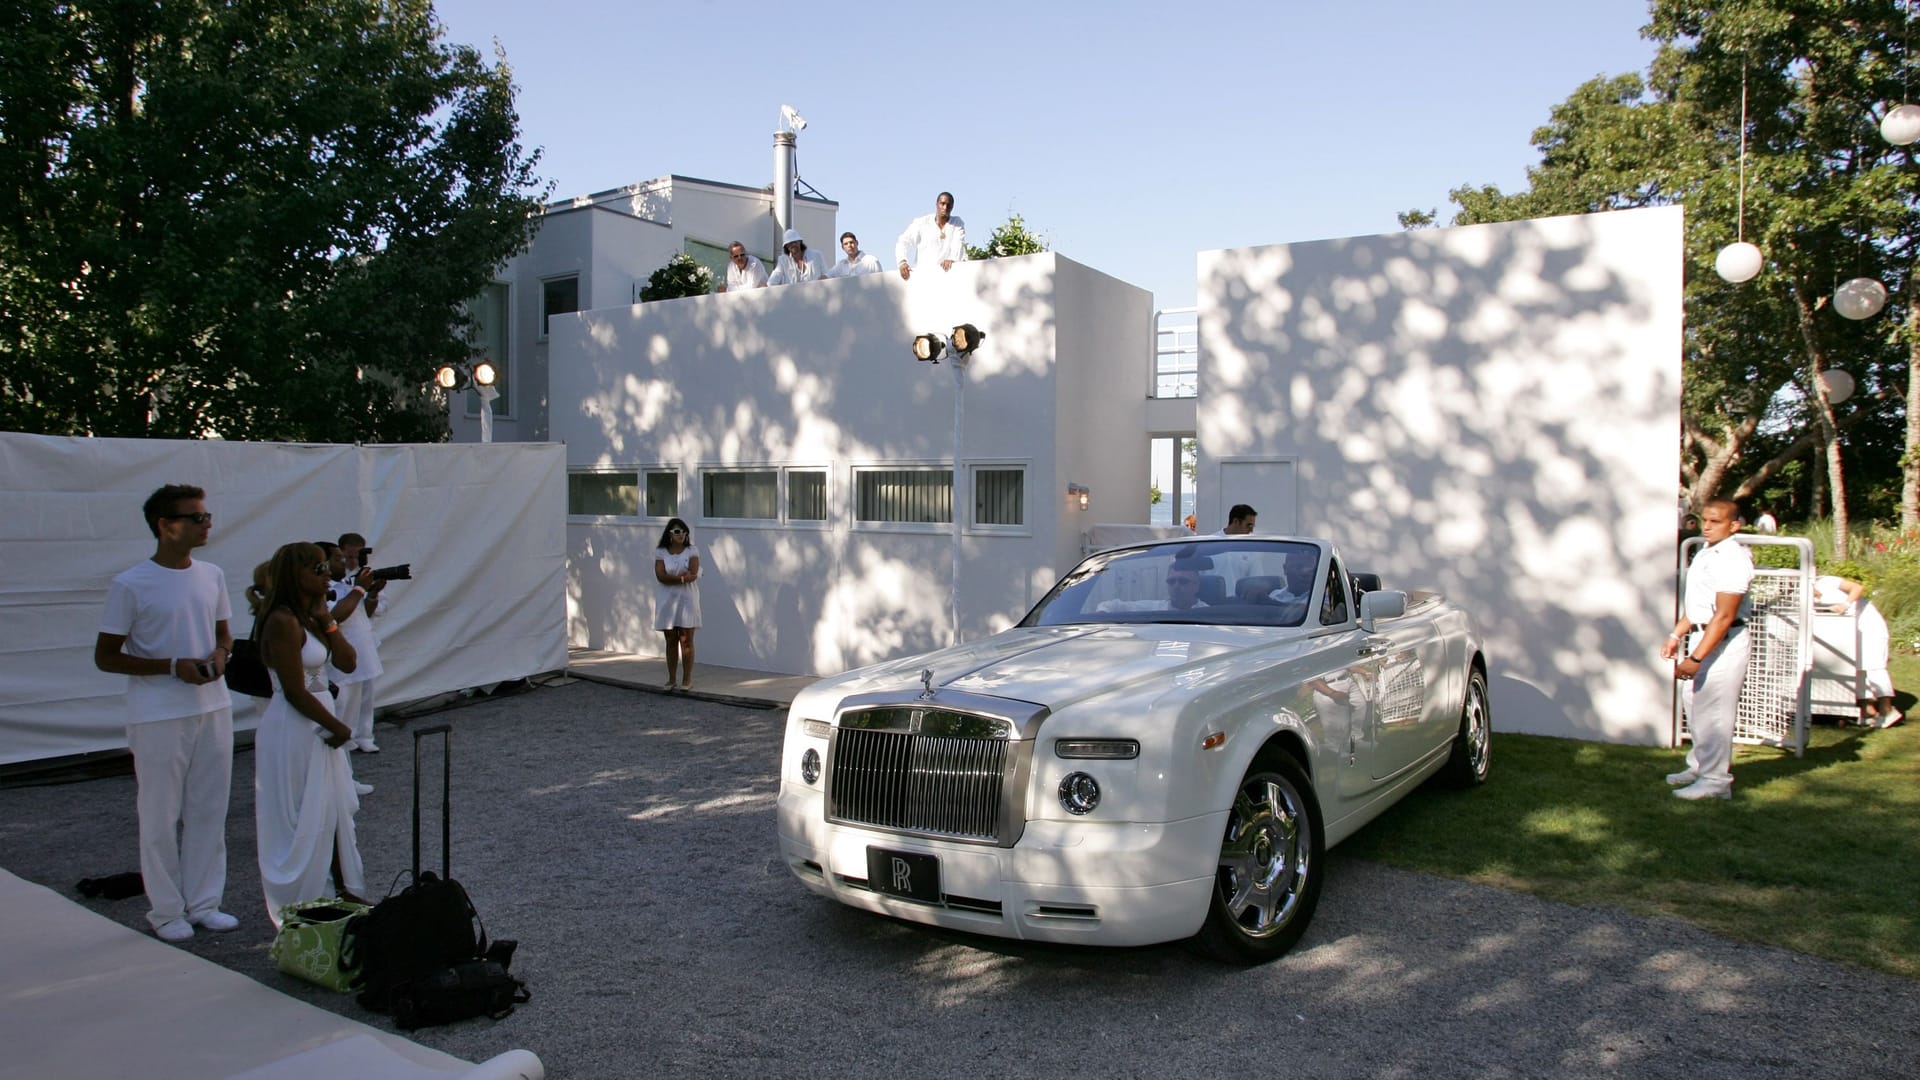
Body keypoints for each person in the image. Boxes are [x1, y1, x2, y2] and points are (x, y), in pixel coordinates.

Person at [94, 484, 239, 943]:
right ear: (166, 525)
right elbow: (106, 656)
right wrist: (171, 666)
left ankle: (205, 903)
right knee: (159, 814)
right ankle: (165, 910)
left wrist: (219, 656)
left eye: (206, 515)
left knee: (209, 809)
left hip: (213, 707)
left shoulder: (212, 575)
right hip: (157, 714)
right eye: (197, 517)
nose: (207, 523)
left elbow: (225, 635)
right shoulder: (130, 584)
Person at [253, 541, 366, 924]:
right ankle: (305, 899)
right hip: (296, 726)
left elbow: (349, 664)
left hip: (320, 722)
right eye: (317, 569)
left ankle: (339, 890)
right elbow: (294, 690)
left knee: (332, 810)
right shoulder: (282, 620)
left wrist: (328, 621)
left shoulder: (309, 616)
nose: (327, 574)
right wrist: (338, 726)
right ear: (294, 576)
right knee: (304, 815)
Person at [1660, 498, 1754, 801]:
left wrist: (1696, 657)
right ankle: (1700, 767)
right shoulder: (1706, 552)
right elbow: (1699, 605)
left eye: (1716, 521)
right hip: (1703, 634)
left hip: (1725, 642)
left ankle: (1716, 781)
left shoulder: (1734, 559)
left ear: (1734, 525)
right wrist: (1676, 634)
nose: (1708, 526)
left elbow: (1724, 615)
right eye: (1705, 520)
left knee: (1714, 711)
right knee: (1694, 703)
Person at [1813, 574, 1900, 728]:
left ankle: (1887, 710)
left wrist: (1845, 604)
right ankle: (1868, 711)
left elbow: (1857, 588)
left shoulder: (1827, 581)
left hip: (1869, 626)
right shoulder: (1811, 599)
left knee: (1874, 667)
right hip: (1851, 631)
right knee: (1857, 668)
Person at [328, 533, 386, 754]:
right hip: (343, 646)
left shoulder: (364, 576)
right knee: (345, 698)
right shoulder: (333, 584)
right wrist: (358, 589)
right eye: (346, 557)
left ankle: (364, 734)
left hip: (364, 642)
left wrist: (371, 594)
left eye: (356, 557)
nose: (350, 562)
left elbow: (371, 611)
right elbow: (335, 614)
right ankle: (346, 735)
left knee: (366, 694)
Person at [654, 518, 702, 690]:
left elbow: (693, 573)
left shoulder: (692, 550)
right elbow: (661, 576)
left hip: (687, 599)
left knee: (686, 639)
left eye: (683, 532)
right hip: (667, 600)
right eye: (677, 532)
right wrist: (682, 578)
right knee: (671, 639)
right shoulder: (661, 552)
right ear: (669, 534)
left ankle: (687, 679)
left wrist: (675, 578)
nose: (681, 535)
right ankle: (671, 678)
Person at [1097, 558, 1212, 613]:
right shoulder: (1154, 608)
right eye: (1171, 581)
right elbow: (1113, 606)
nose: (1176, 586)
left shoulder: (1209, 613)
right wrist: (1102, 612)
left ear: (1196, 586)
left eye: (1183, 581)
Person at [896, 191, 966, 279]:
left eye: (949, 205)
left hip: (947, 276)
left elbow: (958, 245)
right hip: (924, 276)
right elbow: (903, 241)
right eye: (942, 204)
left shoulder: (957, 223)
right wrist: (902, 262)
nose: (945, 207)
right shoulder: (922, 223)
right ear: (936, 204)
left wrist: (952, 259)